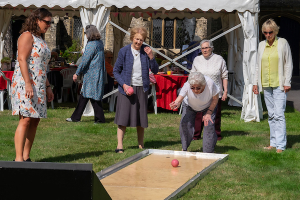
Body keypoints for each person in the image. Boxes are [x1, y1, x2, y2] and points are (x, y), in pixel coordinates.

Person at [11, 8, 54, 162]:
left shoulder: (40, 39)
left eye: (51, 22)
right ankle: (18, 159)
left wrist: (48, 87)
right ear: (37, 19)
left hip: (40, 84)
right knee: (26, 119)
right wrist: (28, 83)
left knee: (35, 119)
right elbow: (22, 59)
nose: (49, 25)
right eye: (47, 22)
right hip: (25, 82)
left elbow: (42, 66)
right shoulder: (27, 36)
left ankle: (26, 156)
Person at [113, 26, 159, 153]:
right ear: (132, 37)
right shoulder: (124, 51)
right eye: (137, 39)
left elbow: (155, 70)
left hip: (142, 88)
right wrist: (124, 85)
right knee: (122, 118)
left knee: (141, 118)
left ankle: (140, 145)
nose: (138, 42)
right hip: (126, 88)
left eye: (141, 40)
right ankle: (119, 145)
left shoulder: (146, 52)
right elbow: (116, 71)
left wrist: (151, 57)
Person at [253, 19, 293, 153]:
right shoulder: (261, 45)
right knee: (271, 114)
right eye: (265, 32)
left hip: (279, 84)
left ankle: (281, 145)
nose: (268, 35)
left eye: (270, 32)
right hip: (266, 83)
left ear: (275, 31)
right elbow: (257, 65)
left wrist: (287, 82)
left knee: (279, 114)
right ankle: (273, 143)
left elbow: (288, 63)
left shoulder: (283, 43)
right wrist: (255, 83)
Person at [170, 72, 219, 152]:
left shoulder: (210, 83)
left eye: (198, 88)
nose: (195, 90)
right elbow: (179, 98)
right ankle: (184, 148)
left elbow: (215, 98)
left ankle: (208, 152)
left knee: (209, 125)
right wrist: (176, 103)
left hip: (208, 106)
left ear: (204, 85)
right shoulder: (187, 85)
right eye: (192, 88)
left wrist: (209, 113)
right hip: (190, 105)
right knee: (185, 124)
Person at [66, 25, 106, 124]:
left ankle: (99, 119)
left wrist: (77, 73)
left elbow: (85, 61)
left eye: (86, 34)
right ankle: (76, 117)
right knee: (86, 95)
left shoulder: (92, 44)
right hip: (96, 73)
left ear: (90, 33)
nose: (86, 36)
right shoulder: (99, 43)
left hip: (92, 74)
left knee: (93, 97)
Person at [191, 40, 228, 141]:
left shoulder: (219, 59)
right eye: (202, 48)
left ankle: (216, 134)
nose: (205, 50)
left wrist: (225, 91)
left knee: (215, 115)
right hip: (200, 92)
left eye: (206, 48)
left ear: (211, 48)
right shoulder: (197, 60)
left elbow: (224, 76)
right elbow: (192, 75)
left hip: (215, 93)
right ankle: (196, 135)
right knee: (198, 115)